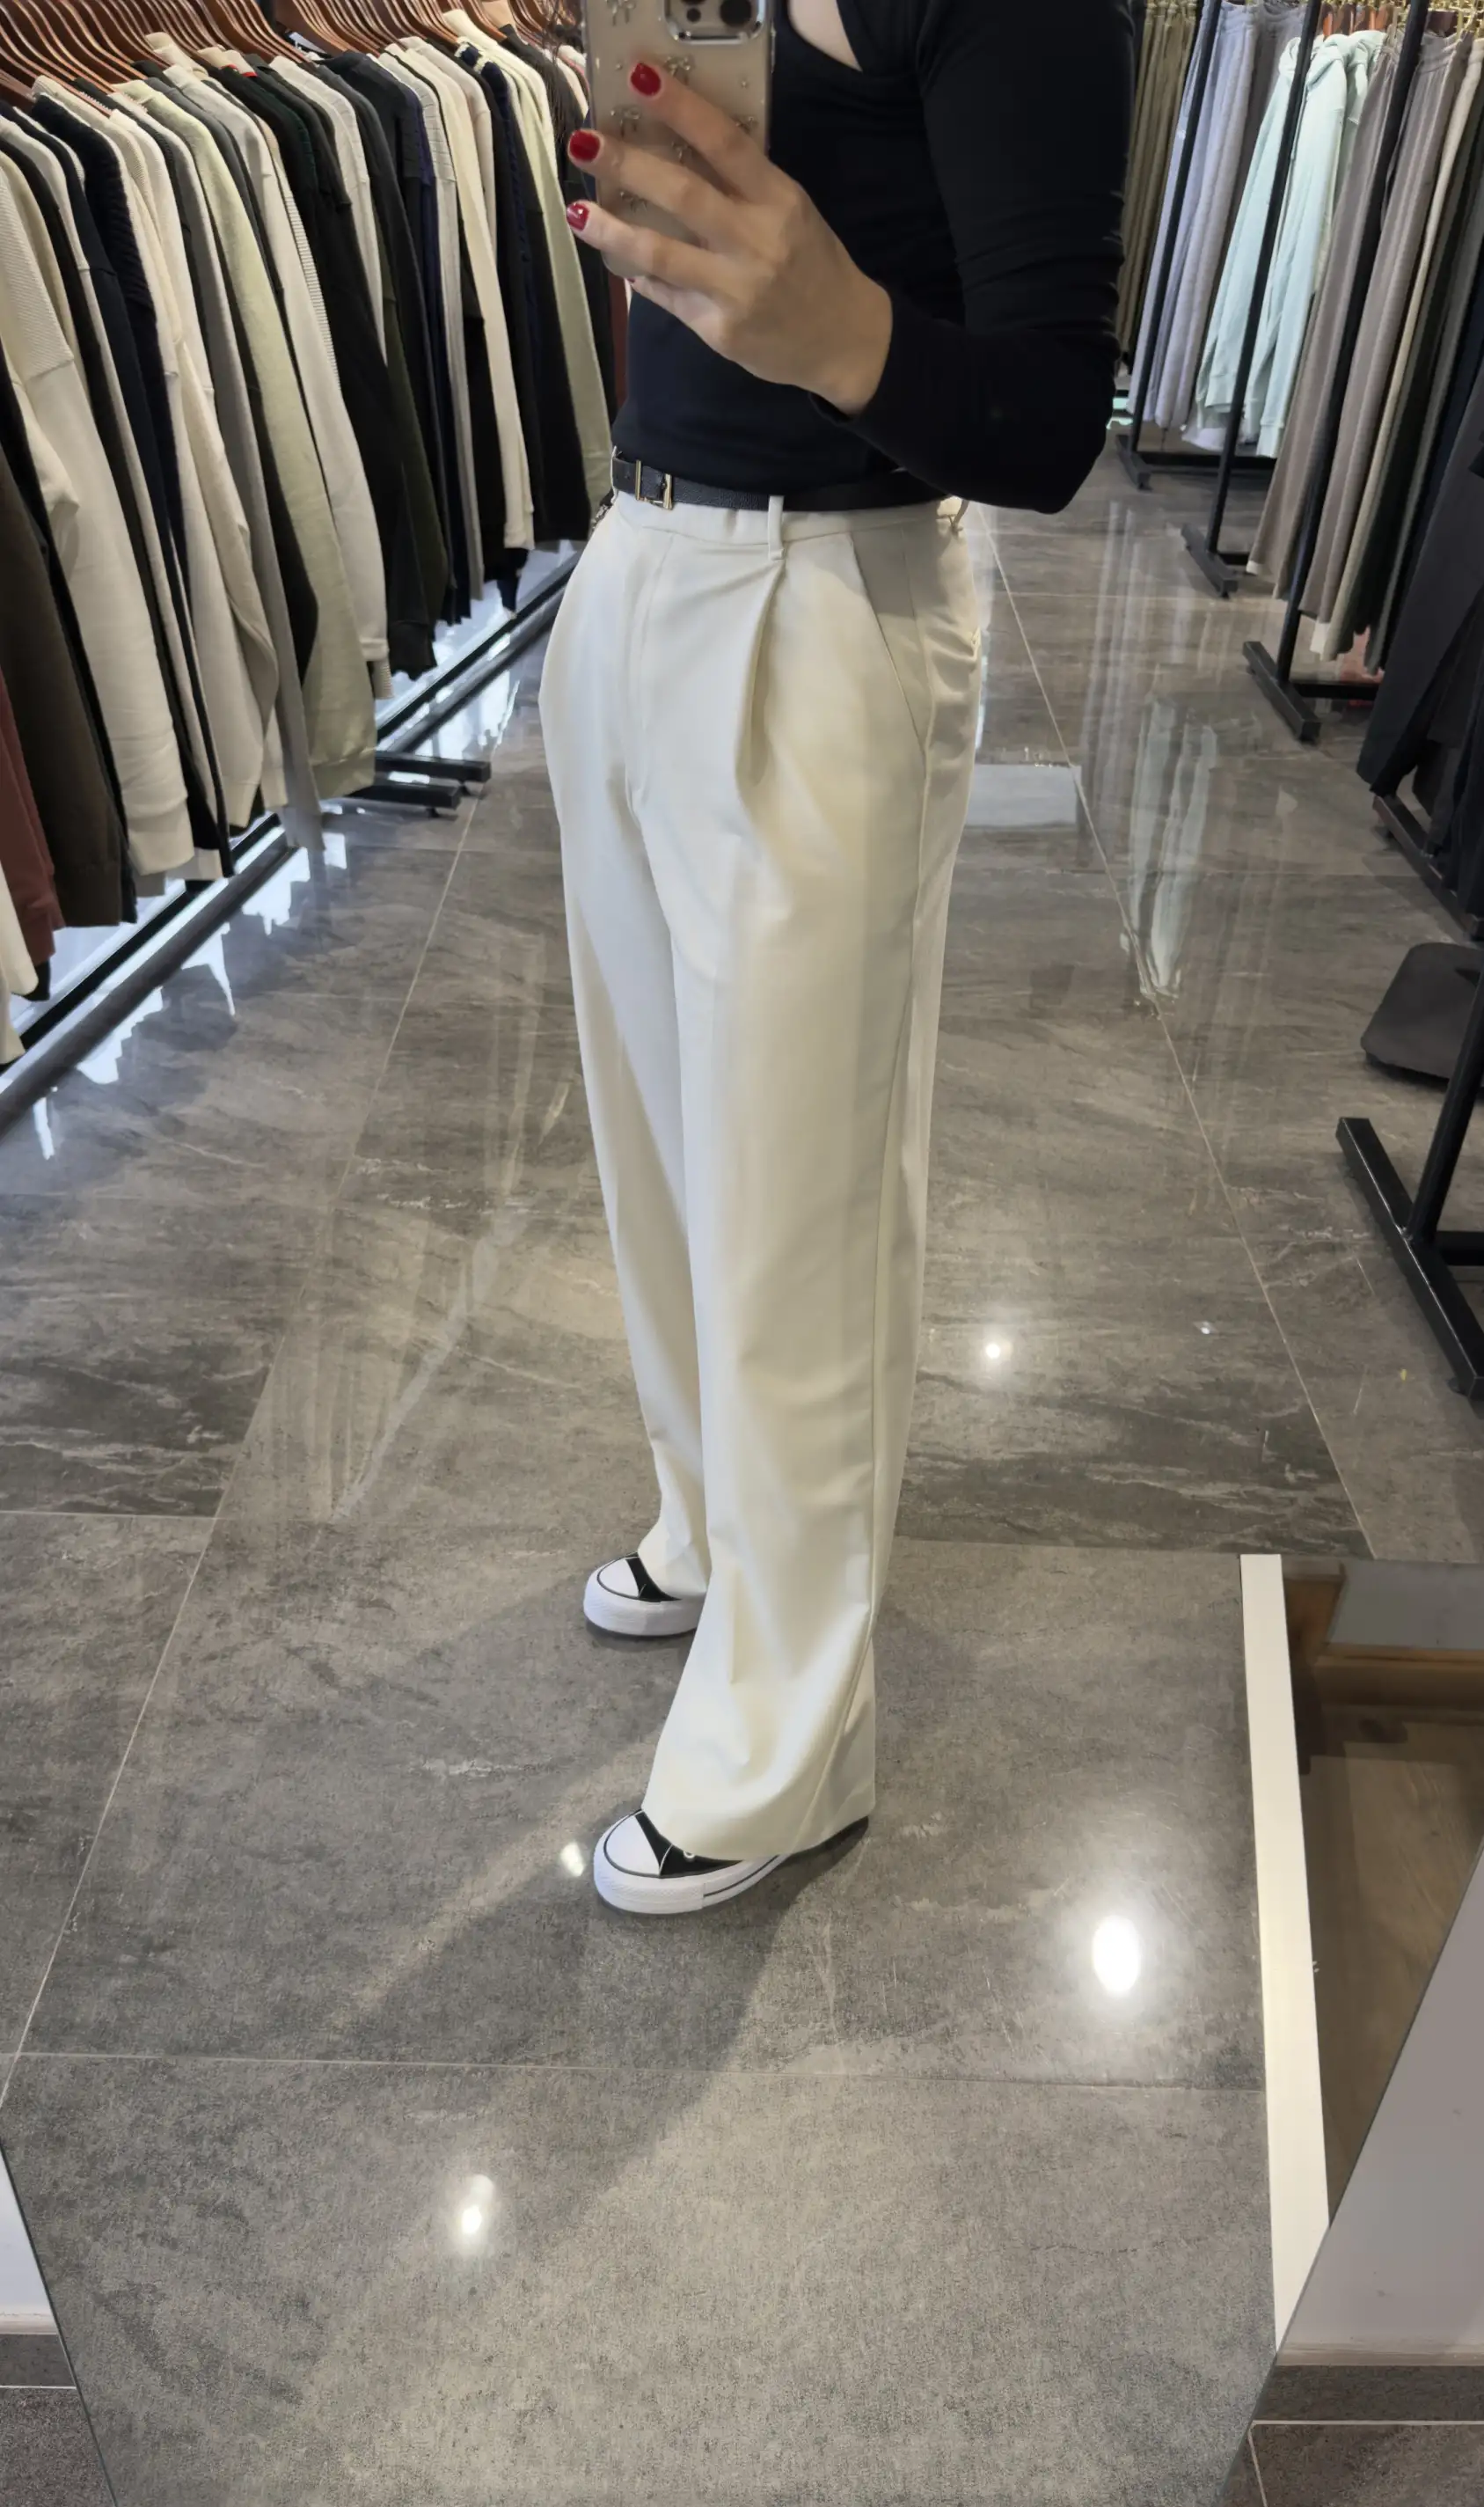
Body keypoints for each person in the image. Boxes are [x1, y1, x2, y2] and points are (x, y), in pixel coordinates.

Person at [537, 0, 1135, 1915]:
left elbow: (1050, 419)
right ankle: (710, 1521)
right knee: (656, 1140)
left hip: (825, 594)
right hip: (637, 557)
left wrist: (836, 328)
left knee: (802, 1204)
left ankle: (785, 1746)